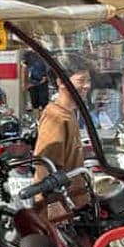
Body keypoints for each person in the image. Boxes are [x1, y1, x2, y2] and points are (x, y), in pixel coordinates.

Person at [32, 53, 92, 214]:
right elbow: (42, 163)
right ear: (60, 82)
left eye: (88, 80)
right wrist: (52, 204)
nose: (87, 86)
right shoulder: (55, 117)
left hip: (75, 202)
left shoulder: (69, 112)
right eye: (81, 81)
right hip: (61, 207)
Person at [22, 51, 49, 116]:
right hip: (32, 83)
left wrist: (46, 77)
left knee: (44, 103)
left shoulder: (44, 53)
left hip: (43, 82)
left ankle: (43, 120)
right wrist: (23, 83)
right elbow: (24, 68)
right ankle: (38, 121)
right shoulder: (28, 54)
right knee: (35, 104)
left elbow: (48, 68)